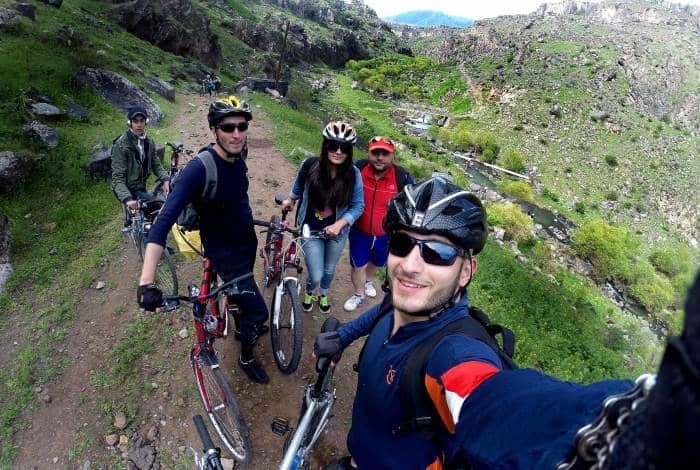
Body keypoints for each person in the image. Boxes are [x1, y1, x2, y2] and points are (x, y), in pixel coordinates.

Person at [314, 175, 700, 469]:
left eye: (437, 252)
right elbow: (383, 313)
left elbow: (494, 402)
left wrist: (626, 432)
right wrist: (344, 337)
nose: (411, 266)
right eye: (402, 245)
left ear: (466, 271)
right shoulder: (403, 302)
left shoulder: (453, 351)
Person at [136, 96, 270, 384]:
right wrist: (146, 283)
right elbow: (161, 226)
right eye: (228, 127)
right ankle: (246, 357)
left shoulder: (238, 154)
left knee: (241, 302)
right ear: (214, 129)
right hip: (224, 253)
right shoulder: (198, 169)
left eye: (242, 126)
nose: (236, 134)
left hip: (246, 242)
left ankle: (239, 322)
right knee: (259, 312)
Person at [280, 121, 364, 314]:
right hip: (310, 229)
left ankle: (323, 292)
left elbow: (358, 205)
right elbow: (299, 186)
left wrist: (340, 224)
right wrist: (290, 199)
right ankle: (311, 289)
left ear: (349, 151)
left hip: (337, 233)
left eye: (344, 148)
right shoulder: (310, 165)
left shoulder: (354, 174)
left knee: (328, 270)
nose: (338, 151)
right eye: (333, 145)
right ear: (325, 146)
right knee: (316, 273)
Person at [343, 136, 413, 312]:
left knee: (377, 261)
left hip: (386, 234)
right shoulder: (357, 169)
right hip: (359, 231)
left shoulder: (401, 177)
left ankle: (367, 281)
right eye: (375, 152)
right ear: (369, 153)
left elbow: (413, 203)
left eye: (385, 153)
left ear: (392, 155)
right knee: (358, 265)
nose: (380, 157)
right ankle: (359, 294)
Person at [111, 107, 170, 222]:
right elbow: (117, 178)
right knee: (157, 207)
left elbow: (155, 162)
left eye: (141, 121)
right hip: (127, 188)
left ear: (146, 122)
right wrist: (127, 199)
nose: (139, 125)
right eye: (135, 121)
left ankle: (141, 219)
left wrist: (165, 178)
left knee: (170, 191)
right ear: (130, 123)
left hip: (140, 185)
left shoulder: (148, 142)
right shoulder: (121, 145)